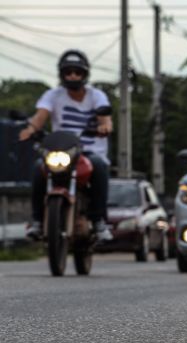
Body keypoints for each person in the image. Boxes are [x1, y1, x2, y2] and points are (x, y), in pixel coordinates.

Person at [20, 49, 113, 241]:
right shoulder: (52, 95)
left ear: (84, 74)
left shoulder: (97, 96)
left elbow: (106, 119)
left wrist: (104, 126)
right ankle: (37, 221)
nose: (72, 76)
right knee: (39, 168)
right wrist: (30, 130)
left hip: (89, 151)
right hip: (61, 150)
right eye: (68, 72)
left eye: (77, 72)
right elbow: (40, 117)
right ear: (61, 74)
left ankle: (99, 221)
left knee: (100, 167)